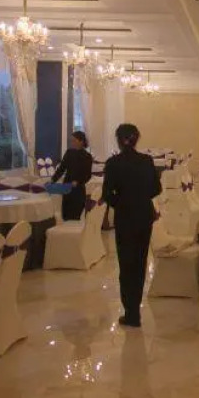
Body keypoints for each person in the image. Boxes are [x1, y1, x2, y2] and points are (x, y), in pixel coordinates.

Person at [102, 124, 161, 328]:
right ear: (137, 139)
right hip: (144, 215)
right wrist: (140, 197)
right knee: (140, 261)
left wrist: (122, 202)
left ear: (118, 140)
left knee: (126, 263)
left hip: (125, 217)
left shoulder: (113, 163)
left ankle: (131, 312)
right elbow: (156, 189)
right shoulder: (146, 161)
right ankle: (134, 308)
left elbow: (107, 194)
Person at [52, 130, 93, 221]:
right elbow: (61, 169)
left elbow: (87, 175)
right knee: (65, 215)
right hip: (67, 187)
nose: (72, 142)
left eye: (74, 140)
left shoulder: (87, 156)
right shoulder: (69, 152)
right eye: (72, 140)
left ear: (81, 141)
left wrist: (78, 182)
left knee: (76, 215)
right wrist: (53, 180)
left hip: (78, 190)